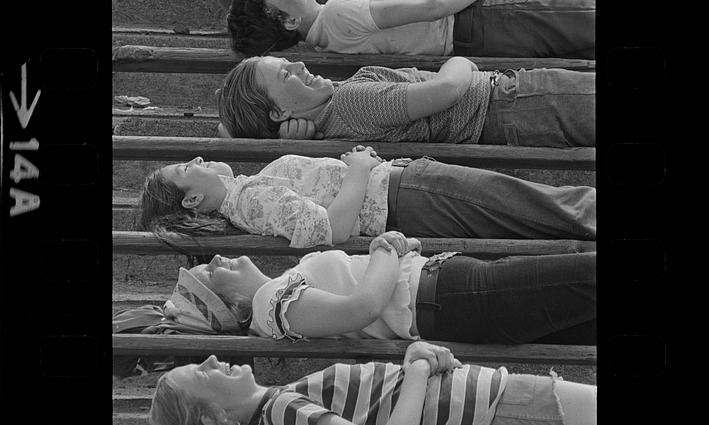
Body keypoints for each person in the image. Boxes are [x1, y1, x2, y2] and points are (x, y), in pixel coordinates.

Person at [149, 343, 597, 425]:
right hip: (496, 408)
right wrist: (417, 367)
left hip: (493, 403)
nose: (209, 358)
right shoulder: (282, 412)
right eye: (201, 372)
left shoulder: (279, 408)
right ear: (212, 418)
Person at [158, 230, 595, 345]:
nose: (214, 259)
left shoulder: (280, 288)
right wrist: (385, 249)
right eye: (209, 275)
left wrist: (394, 256)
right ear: (234, 308)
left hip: (451, 291)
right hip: (451, 299)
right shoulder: (271, 303)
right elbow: (361, 308)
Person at [136, 149, 596, 246]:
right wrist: (359, 169)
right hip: (404, 195)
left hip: (407, 191)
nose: (196, 159)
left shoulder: (245, 193)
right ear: (192, 201)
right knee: (536, 203)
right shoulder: (250, 198)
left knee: (529, 206)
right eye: (185, 169)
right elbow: (329, 230)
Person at [216, 56, 595, 148]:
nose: (300, 64)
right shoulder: (350, 103)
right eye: (287, 75)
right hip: (510, 101)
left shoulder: (331, 127)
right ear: (279, 112)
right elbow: (448, 89)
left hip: (511, 115)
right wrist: (462, 63)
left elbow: (230, 134)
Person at [226, 0, 595, 59]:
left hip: (474, 38)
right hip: (479, 19)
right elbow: (432, 7)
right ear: (290, 22)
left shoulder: (328, 39)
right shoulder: (339, 13)